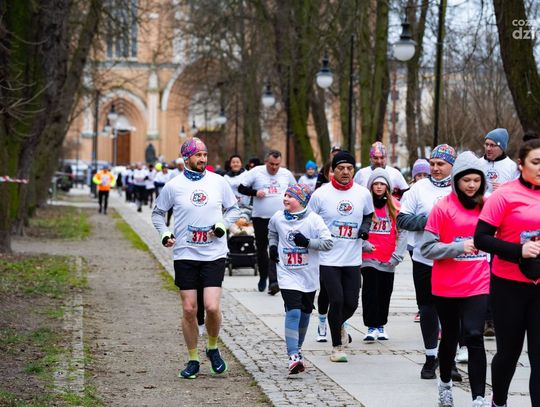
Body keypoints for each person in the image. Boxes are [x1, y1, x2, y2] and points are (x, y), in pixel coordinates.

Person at [152, 137, 240, 379]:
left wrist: (223, 224)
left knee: (211, 306)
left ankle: (212, 347)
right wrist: (165, 233)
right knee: (189, 309)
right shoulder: (173, 186)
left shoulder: (218, 182)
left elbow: (234, 209)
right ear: (186, 158)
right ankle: (192, 359)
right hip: (185, 253)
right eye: (198, 155)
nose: (203, 159)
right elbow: (158, 214)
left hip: (213, 253)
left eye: (205, 155)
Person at [421, 151, 490, 407]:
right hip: (447, 285)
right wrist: (458, 247)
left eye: (476, 180)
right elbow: (427, 248)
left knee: (474, 335)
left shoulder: (487, 207)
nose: (472, 185)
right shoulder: (443, 208)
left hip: (478, 283)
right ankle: (445, 384)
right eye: (466, 180)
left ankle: (479, 398)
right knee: (450, 336)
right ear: (456, 180)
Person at [474, 138, 540, 407]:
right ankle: (498, 401)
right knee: (508, 354)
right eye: (536, 162)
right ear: (520, 164)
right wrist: (519, 250)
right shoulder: (504, 195)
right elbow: (481, 239)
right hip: (509, 286)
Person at [397, 144, 460, 380]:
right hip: (424, 259)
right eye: (432, 163)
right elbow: (402, 220)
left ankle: (450, 360)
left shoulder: (460, 187)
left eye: (440, 164)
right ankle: (430, 358)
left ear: (452, 166)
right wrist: (430, 220)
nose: (435, 168)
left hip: (453, 259)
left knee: (452, 312)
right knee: (427, 309)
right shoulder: (418, 188)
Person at [308, 151, 374, 362]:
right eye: (341, 168)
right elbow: (309, 221)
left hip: (352, 258)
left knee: (351, 303)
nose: (345, 172)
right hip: (328, 258)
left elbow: (368, 214)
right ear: (332, 170)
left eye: (349, 168)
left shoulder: (363, 193)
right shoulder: (321, 194)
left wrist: (364, 229)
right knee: (336, 300)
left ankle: (336, 325)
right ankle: (337, 347)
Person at [268, 183, 333, 374]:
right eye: (285, 195)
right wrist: (273, 246)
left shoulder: (314, 220)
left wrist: (308, 242)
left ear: (302, 200)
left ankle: (298, 348)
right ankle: (293, 355)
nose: (285, 198)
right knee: (293, 311)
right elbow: (272, 232)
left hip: (308, 275)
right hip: (286, 273)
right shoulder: (278, 217)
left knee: (305, 314)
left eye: (291, 196)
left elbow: (328, 243)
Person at [238, 150, 296, 294]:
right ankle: (263, 276)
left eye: (277, 164)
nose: (274, 167)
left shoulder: (286, 174)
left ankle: (273, 281)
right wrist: (255, 192)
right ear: (266, 162)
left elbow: (296, 191)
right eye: (271, 164)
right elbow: (241, 188)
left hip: (281, 219)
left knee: (276, 248)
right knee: (262, 249)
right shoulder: (256, 172)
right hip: (260, 218)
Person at [361, 168, 407, 342]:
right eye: (376, 184)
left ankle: (381, 325)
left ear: (388, 187)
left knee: (384, 293)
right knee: (370, 292)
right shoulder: (365, 204)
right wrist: (364, 245)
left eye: (382, 184)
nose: (379, 187)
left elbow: (403, 232)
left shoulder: (396, 205)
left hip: (388, 258)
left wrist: (398, 255)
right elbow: (358, 227)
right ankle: (371, 327)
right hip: (369, 257)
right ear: (371, 186)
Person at [405, 158, 430, 324]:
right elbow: (403, 216)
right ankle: (422, 307)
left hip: (434, 242)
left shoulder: (431, 190)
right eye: (418, 175)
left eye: (424, 175)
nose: (421, 178)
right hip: (413, 243)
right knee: (420, 279)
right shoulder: (410, 192)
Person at [480, 128, 519, 197]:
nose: (488, 148)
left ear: (501, 148)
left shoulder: (512, 167)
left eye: (492, 145)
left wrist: (505, 190)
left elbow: (518, 191)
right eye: (486, 144)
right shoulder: (477, 163)